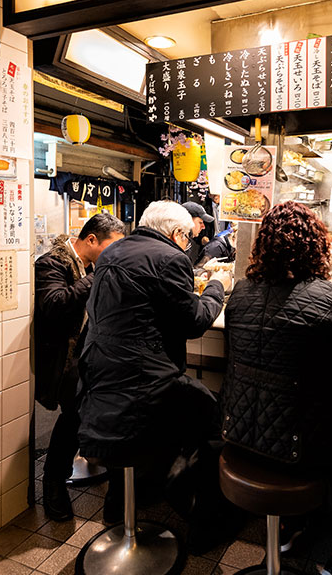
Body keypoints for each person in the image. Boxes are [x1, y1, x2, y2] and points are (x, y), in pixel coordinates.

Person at [222, 201, 332, 575]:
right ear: (316, 246)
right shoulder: (329, 297)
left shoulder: (240, 292)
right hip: (298, 446)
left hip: (238, 432)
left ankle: (291, 526)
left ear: (263, 246)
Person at [78, 200, 233, 550]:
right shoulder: (171, 258)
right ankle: (196, 513)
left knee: (129, 428)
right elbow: (194, 322)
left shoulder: (112, 254)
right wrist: (216, 287)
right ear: (177, 233)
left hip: (101, 373)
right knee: (213, 419)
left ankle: (121, 501)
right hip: (144, 379)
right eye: (188, 238)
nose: (189, 244)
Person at [34, 212, 126, 521]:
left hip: (88, 353)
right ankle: (53, 482)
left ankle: (88, 460)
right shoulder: (52, 263)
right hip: (62, 359)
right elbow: (55, 303)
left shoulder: (87, 264)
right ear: (90, 240)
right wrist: (98, 275)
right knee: (73, 415)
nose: (114, 255)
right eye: (111, 248)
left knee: (86, 411)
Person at [182, 200, 214, 265]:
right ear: (188, 221)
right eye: (200, 222)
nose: (203, 227)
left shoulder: (188, 243)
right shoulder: (177, 244)